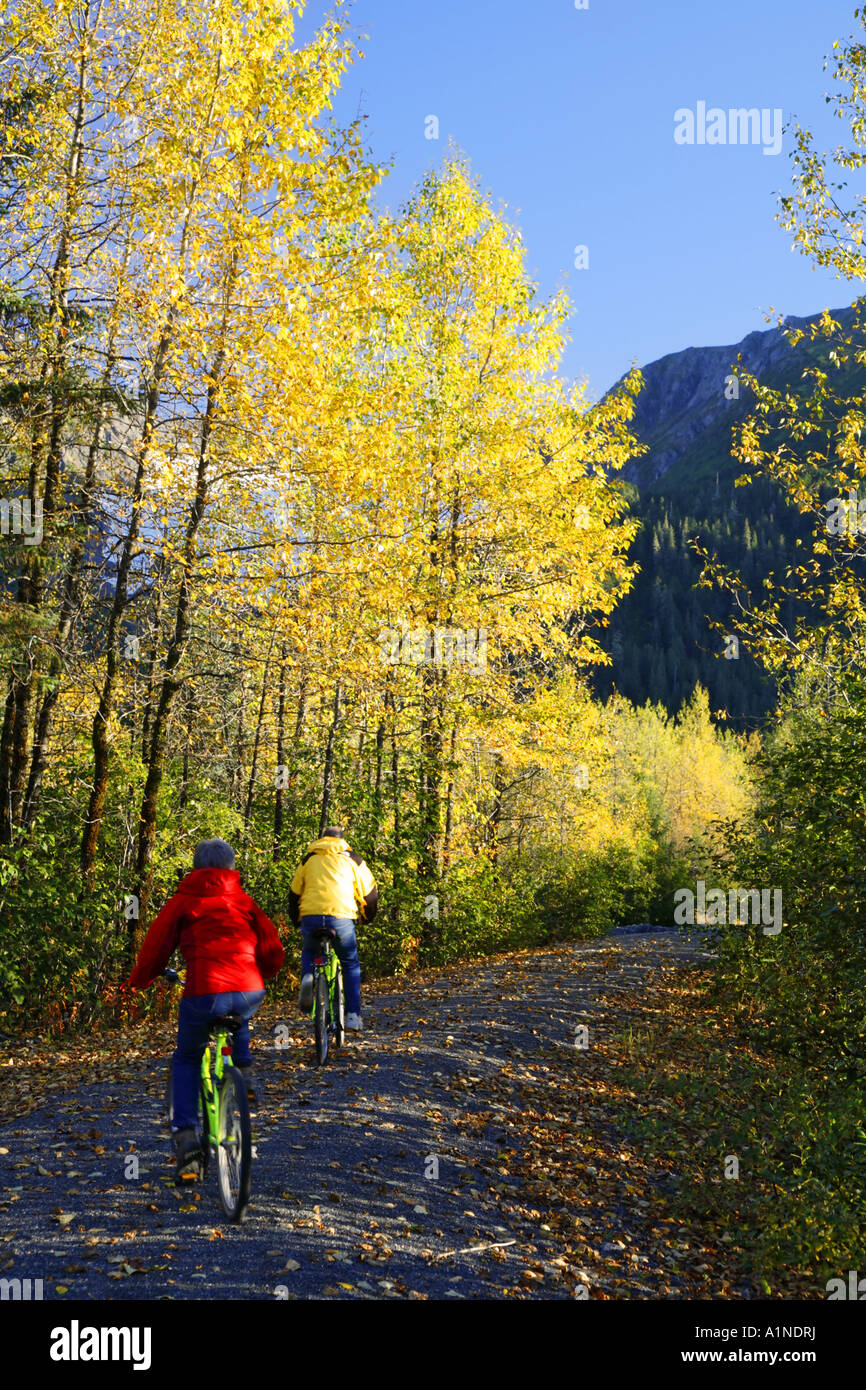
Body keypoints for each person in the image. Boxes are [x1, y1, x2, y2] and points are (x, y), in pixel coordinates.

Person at [127, 838, 284, 1179]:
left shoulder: (184, 900)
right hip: (249, 989)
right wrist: (265, 972)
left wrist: (139, 981)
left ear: (197, 867)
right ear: (230, 867)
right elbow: (272, 947)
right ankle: (244, 1073)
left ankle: (187, 1145)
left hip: (204, 991)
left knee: (186, 1058)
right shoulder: (244, 901)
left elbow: (156, 948)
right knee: (238, 1013)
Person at [289, 826, 377, 1033]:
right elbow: (370, 893)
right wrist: (367, 918)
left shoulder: (308, 859)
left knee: (310, 951)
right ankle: (353, 1016)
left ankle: (308, 977)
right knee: (349, 963)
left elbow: (293, 894)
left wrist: (296, 921)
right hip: (341, 918)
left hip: (311, 917)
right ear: (343, 840)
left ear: (322, 839)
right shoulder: (353, 859)